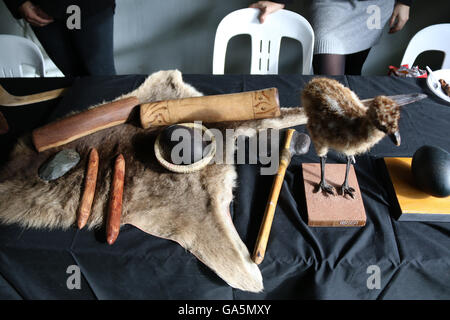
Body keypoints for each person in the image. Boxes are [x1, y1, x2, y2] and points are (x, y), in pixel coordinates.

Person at [249, 0, 412, 75]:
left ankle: (349, 131)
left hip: (374, 6)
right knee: (330, 84)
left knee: (353, 72)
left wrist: (405, 2)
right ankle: (333, 132)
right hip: (330, 3)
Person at [3, 0, 117, 76]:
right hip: (40, 7)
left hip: (88, 5)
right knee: (74, 78)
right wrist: (18, 2)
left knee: (102, 77)